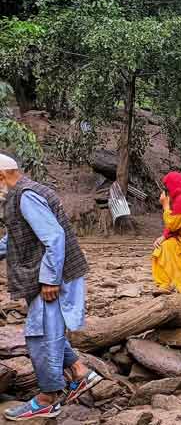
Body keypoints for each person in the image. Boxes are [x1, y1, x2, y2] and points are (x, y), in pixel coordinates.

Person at [0, 155, 102, 421]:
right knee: (51, 330)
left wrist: (49, 280)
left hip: (55, 276)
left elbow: (54, 237)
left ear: (1, 176)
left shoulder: (25, 196)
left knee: (41, 335)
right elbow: (16, 237)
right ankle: (80, 372)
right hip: (58, 271)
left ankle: (48, 399)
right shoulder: (24, 193)